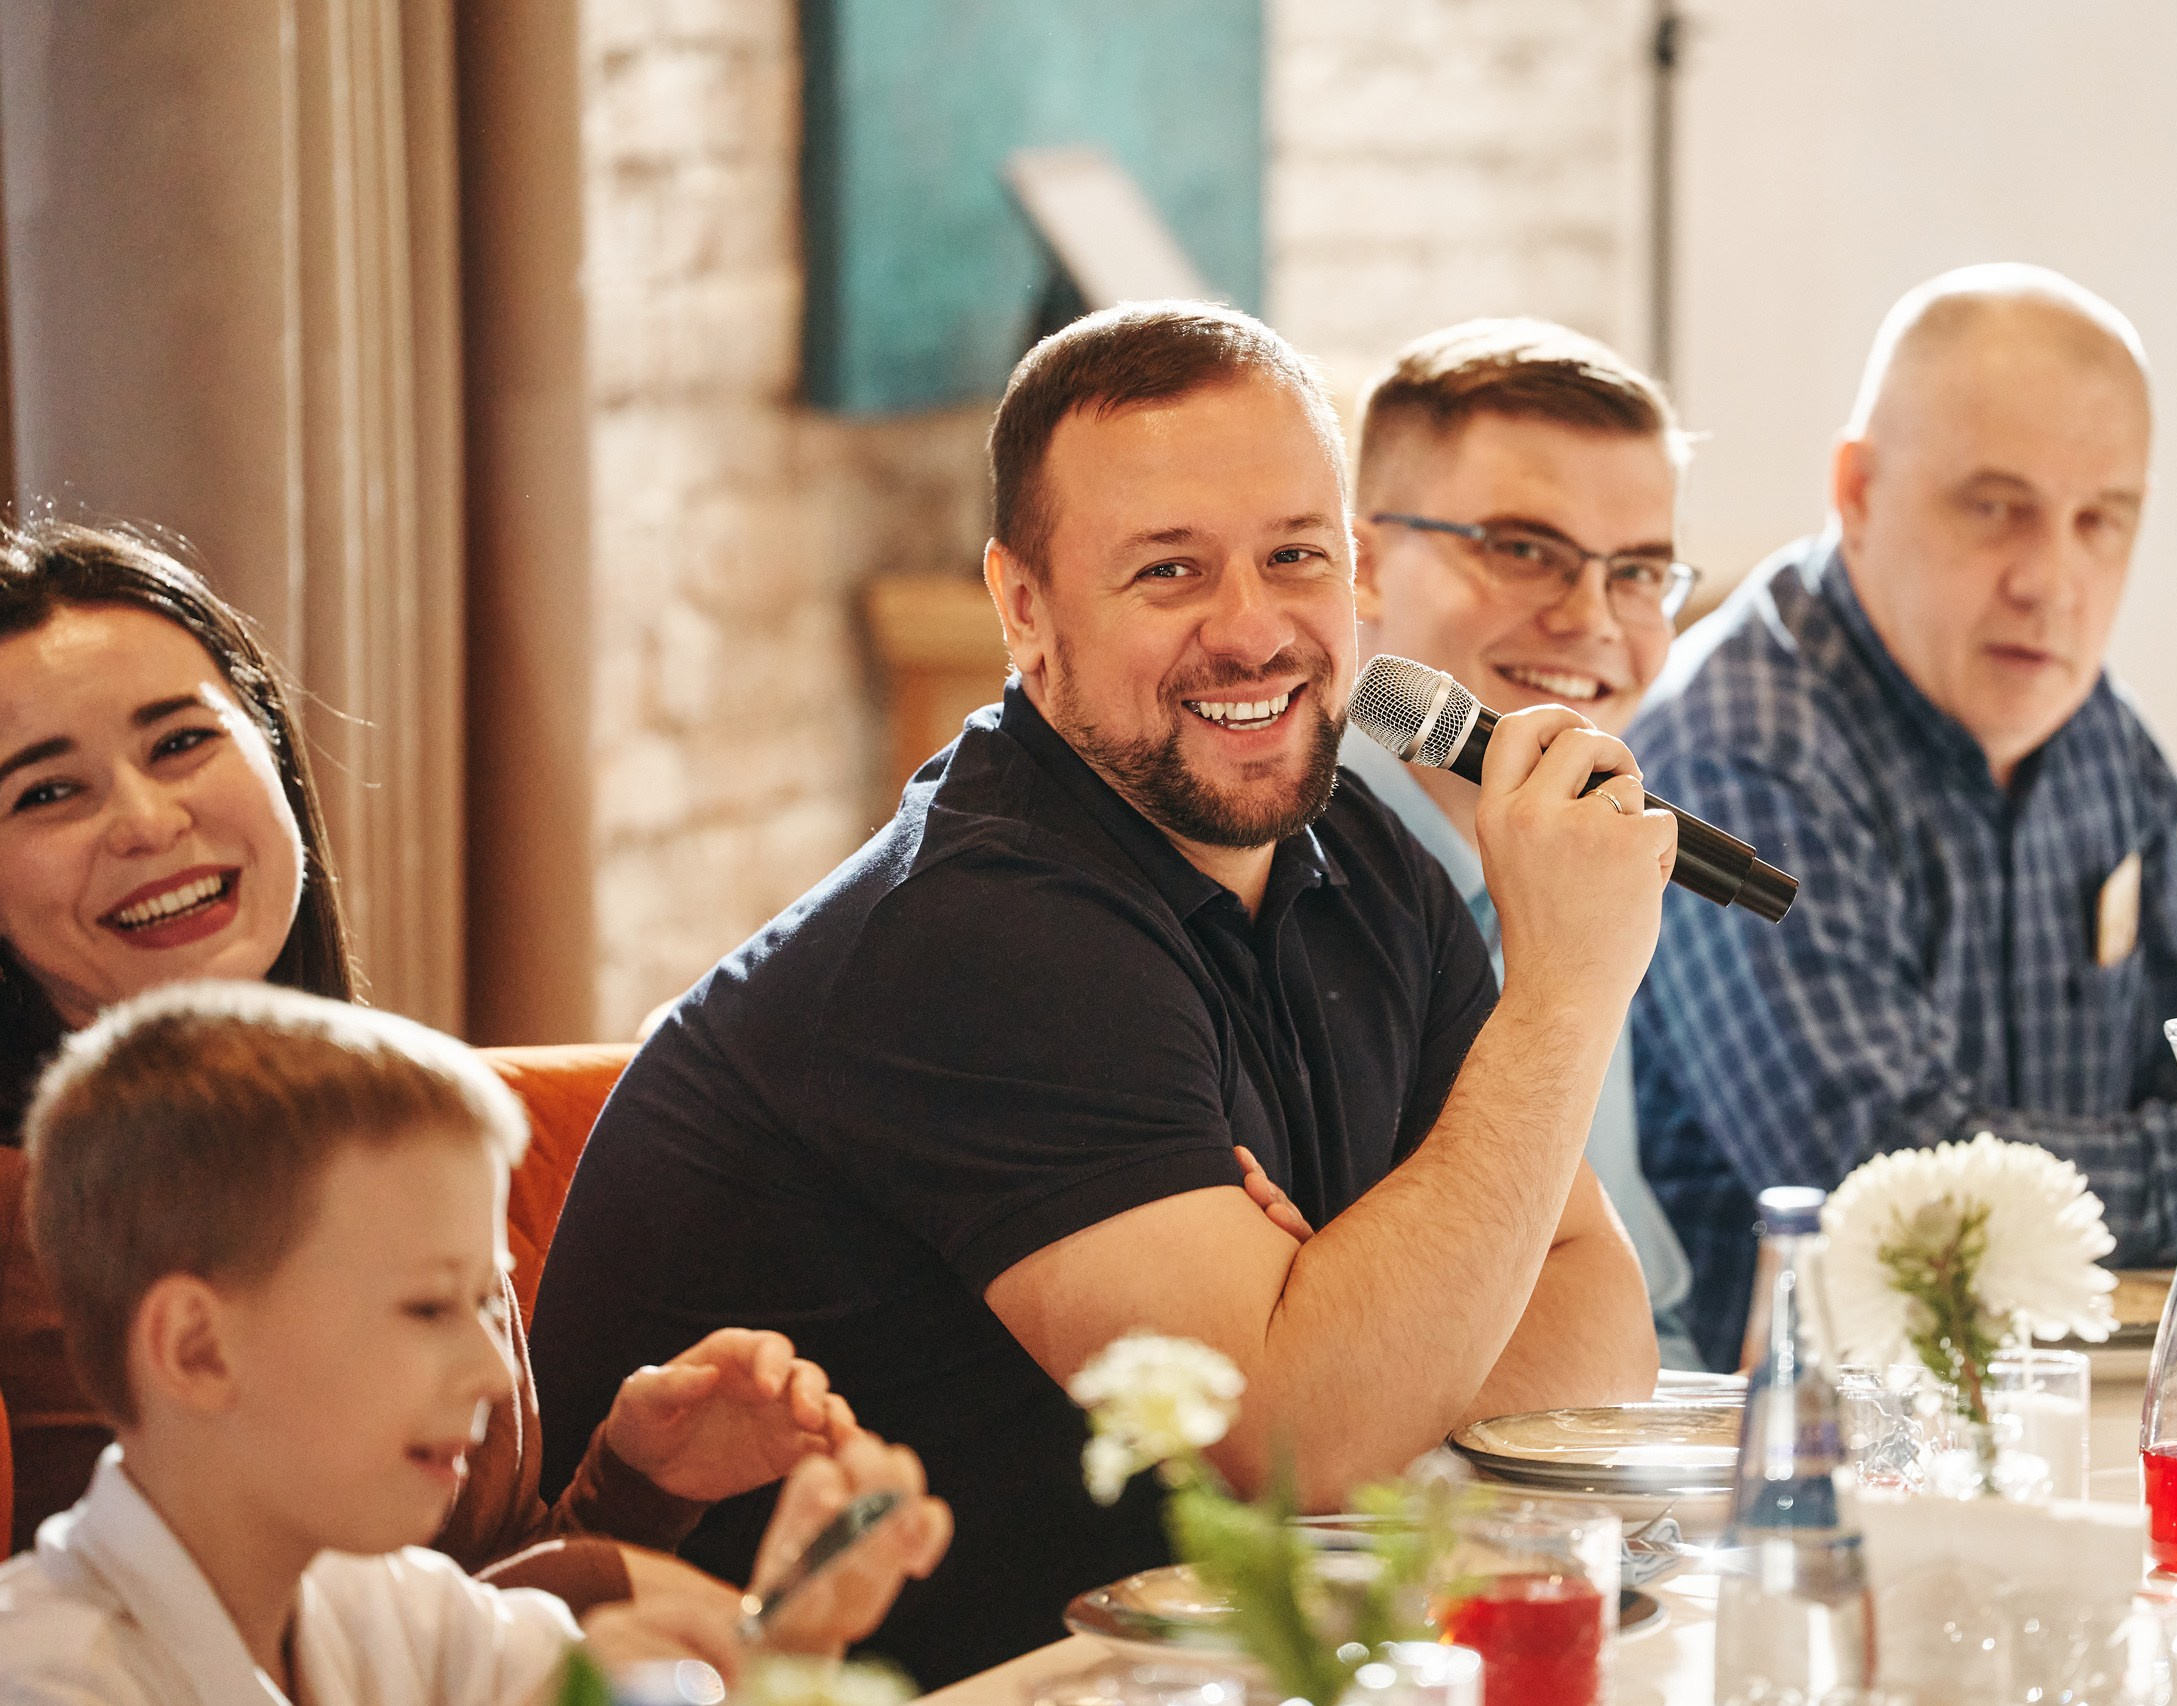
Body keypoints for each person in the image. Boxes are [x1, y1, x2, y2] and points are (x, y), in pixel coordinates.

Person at [530, 302, 1668, 1686]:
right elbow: (1299, 1441)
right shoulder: (984, 926)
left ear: (1357, 567)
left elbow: (1601, 1320)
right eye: (1169, 571)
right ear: (1024, 608)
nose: (1252, 630)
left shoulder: (1362, 857)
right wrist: (1560, 997)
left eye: (1295, 555)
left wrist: (1363, 1333)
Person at [1628, 263, 2177, 1370]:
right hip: (1787, 1458)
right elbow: (1894, 1185)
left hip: (2069, 1404)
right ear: (1858, 490)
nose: (2050, 581)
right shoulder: (1740, 750)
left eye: (2099, 520)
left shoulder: (2103, 740)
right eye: (1995, 508)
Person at [0, 521, 865, 1613]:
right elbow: (219, 1644)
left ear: (269, 745)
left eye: (179, 742)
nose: (147, 819)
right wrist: (613, 1569)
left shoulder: (387, 1142)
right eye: (45, 793)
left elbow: (449, 1627)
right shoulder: (49, 1227)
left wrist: (638, 1482)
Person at [0, 982, 950, 1700]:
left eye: (487, 1305)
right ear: (198, 1350)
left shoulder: (396, 1606)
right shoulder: (48, 1676)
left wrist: (787, 1640)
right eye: (425, 1309)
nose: (494, 1371)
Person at [1347, 317, 1701, 1367]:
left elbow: (1651, 1311)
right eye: (1523, 550)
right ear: (1361, 564)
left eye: (1637, 571)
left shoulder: (1574, 855)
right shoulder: (1297, 875)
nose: (1590, 618)